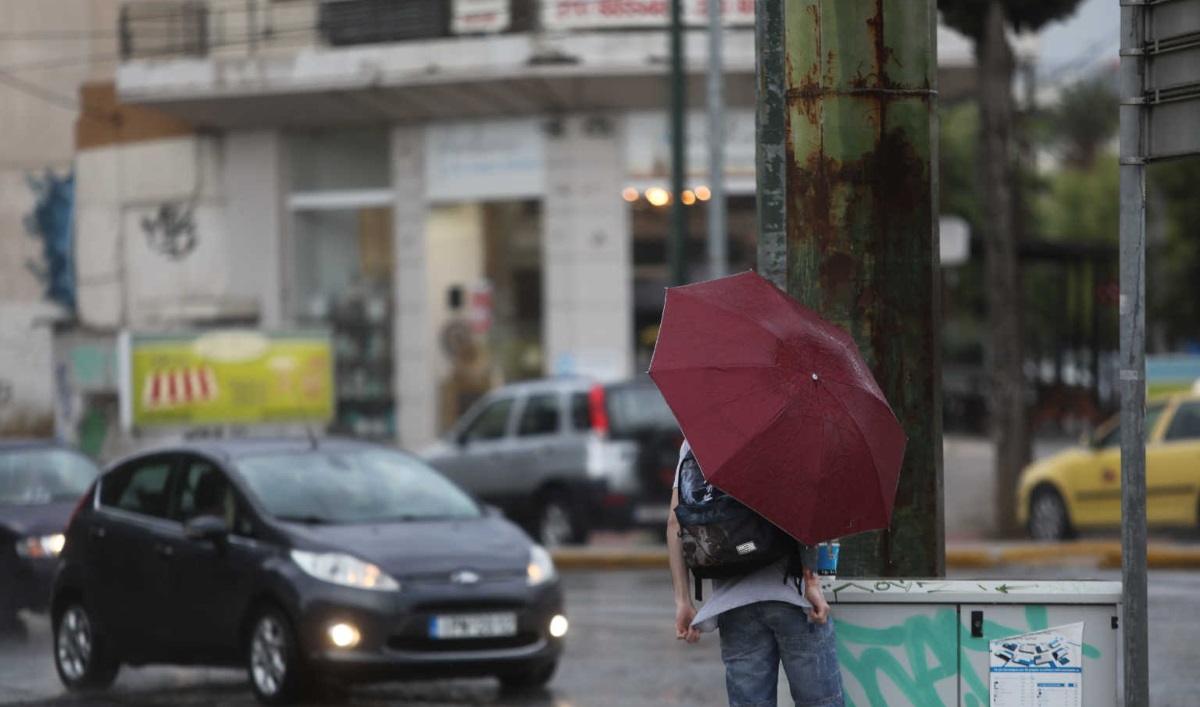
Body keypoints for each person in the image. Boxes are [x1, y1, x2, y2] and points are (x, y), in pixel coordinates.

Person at [668, 439, 845, 707]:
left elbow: (675, 522)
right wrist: (812, 582)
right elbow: (804, 511)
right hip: (792, 599)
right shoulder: (785, 431)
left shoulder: (696, 437)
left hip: (734, 604)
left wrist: (683, 601)